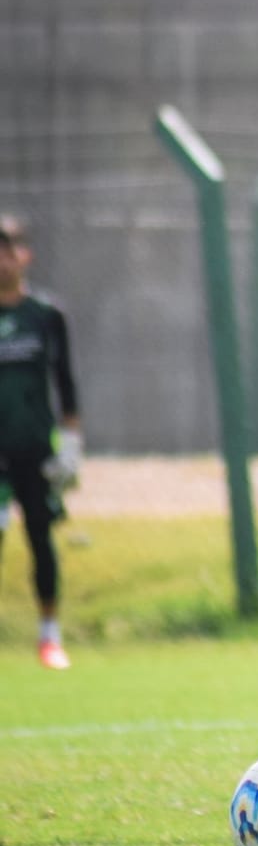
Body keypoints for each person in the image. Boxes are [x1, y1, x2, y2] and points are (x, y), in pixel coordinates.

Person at [0, 215, 83, 671]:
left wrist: (70, 443)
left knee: (39, 538)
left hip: (34, 446)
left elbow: (65, 381)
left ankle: (49, 635)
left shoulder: (46, 315)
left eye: (7, 248)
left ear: (24, 254)